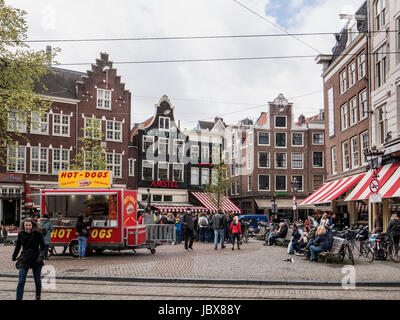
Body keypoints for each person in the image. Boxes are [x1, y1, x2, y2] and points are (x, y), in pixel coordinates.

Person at [12, 219, 46, 300]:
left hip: (36, 258)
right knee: (21, 281)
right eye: (26, 225)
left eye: (29, 225)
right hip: (25, 258)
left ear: (32, 225)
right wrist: (14, 256)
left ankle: (38, 296)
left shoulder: (38, 234)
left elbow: (43, 248)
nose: (27, 227)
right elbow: (18, 247)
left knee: (37, 280)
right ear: (23, 226)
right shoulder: (21, 234)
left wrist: (41, 257)